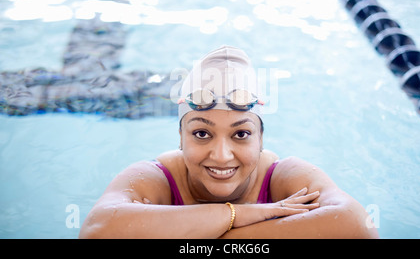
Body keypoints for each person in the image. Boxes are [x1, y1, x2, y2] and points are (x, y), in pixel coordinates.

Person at [79, 46, 379, 239]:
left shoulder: (284, 177)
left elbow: (356, 225)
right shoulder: (155, 178)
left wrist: (198, 233)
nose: (222, 156)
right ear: (180, 138)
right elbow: (96, 231)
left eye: (241, 134)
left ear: (261, 139)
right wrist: (241, 214)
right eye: (201, 133)